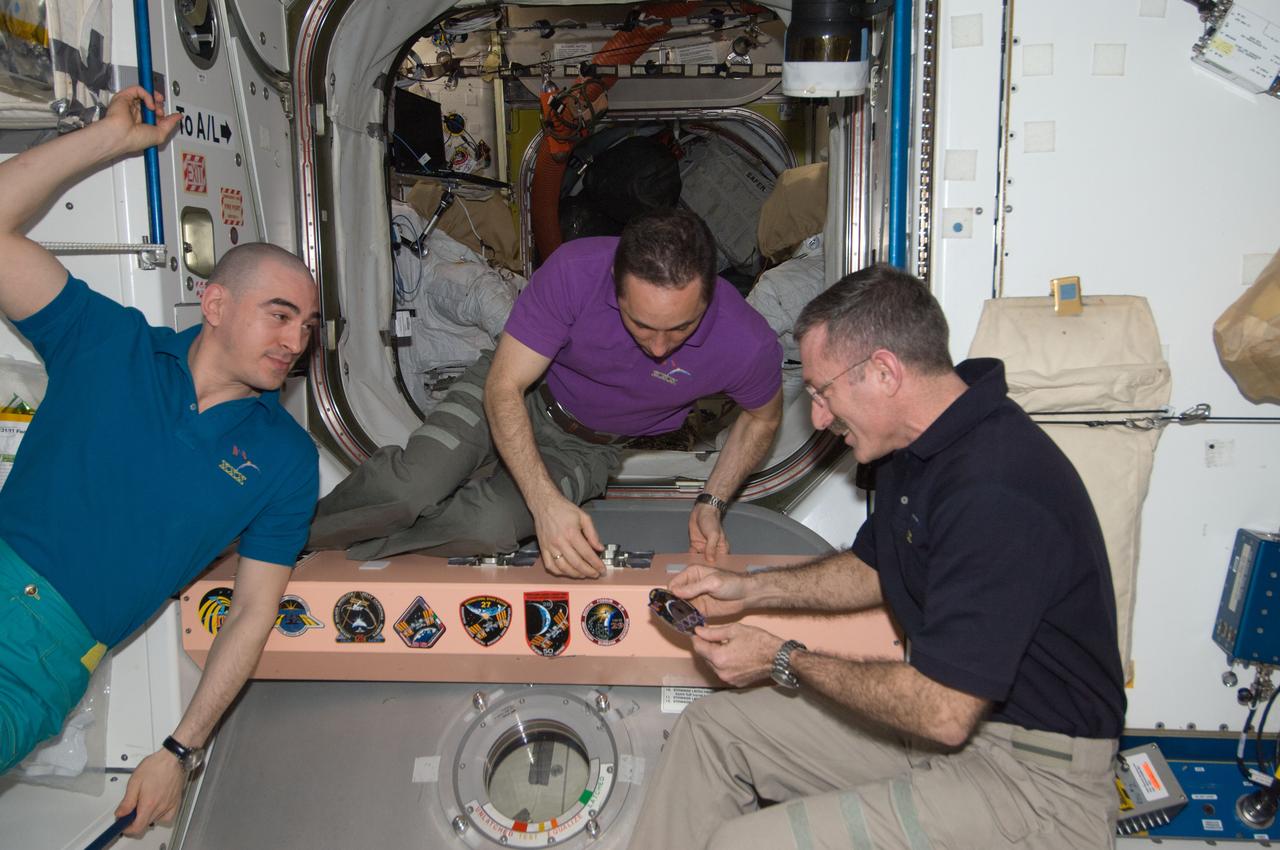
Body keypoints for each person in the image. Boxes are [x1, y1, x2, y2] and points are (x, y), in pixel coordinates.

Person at [628, 264, 1126, 849]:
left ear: (884, 372)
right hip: (956, 739)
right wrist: (750, 588)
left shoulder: (996, 487)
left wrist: (784, 657)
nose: (818, 416)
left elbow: (942, 710)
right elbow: (874, 567)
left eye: (822, 392)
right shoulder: (916, 448)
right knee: (711, 732)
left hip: (1036, 784)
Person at [0, 87, 320, 838]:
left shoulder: (286, 459)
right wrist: (108, 142)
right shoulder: (108, 342)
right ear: (215, 305)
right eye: (280, 315)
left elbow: (251, 613)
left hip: (39, 667)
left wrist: (181, 749)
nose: (296, 341)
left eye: (307, 326)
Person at [309, 208, 783, 577]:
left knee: (488, 527)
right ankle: (294, 540)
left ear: (709, 296)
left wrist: (712, 502)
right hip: (520, 393)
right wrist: (544, 504)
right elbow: (505, 385)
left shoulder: (747, 343)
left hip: (585, 447)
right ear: (614, 287)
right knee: (407, 490)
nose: (659, 348)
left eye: (680, 327)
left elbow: (762, 417)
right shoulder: (576, 271)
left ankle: (351, 558)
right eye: (641, 324)